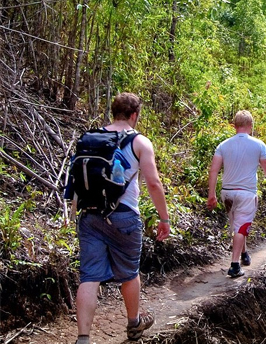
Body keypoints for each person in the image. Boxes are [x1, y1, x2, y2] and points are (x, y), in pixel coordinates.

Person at [73, 92, 170, 343]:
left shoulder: (90, 138)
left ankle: (83, 337)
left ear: (113, 112)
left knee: (90, 276)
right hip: (124, 216)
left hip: (90, 215)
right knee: (129, 273)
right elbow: (153, 183)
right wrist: (164, 218)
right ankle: (133, 324)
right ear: (134, 115)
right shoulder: (140, 142)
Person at [207, 110, 266, 278]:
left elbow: (214, 171)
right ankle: (235, 265)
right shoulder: (258, 145)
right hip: (246, 193)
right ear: (250, 126)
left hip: (227, 194)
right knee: (241, 227)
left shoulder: (223, 145)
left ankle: (244, 254)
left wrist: (212, 194)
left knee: (237, 226)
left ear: (235, 126)